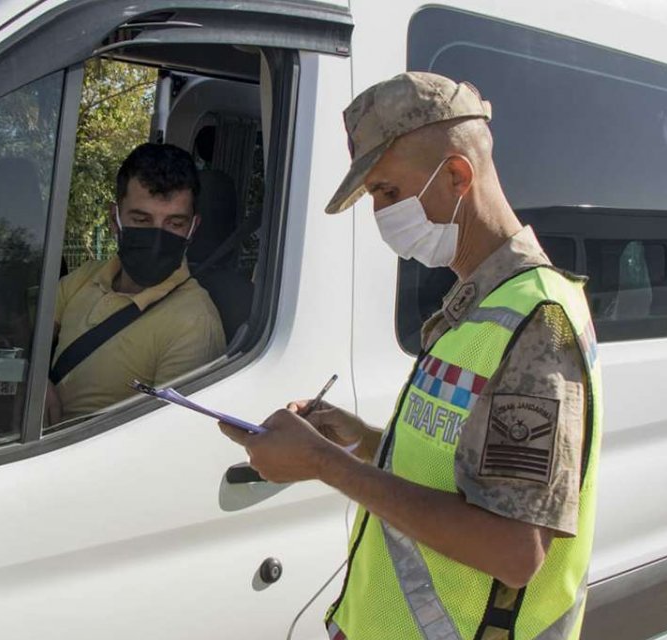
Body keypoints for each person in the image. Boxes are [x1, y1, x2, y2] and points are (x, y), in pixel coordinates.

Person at [219, 72, 602, 640]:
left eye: (387, 192)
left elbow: (515, 548)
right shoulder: (478, 303)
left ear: (455, 175)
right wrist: (358, 440)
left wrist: (325, 465)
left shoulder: (538, 321)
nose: (379, 213)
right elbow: (458, 472)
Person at [47, 143, 226, 424]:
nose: (157, 236)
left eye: (175, 223)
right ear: (114, 219)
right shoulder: (87, 276)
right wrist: (33, 378)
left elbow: (161, 437)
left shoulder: (194, 322)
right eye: (142, 220)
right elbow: (24, 332)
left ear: (193, 228)